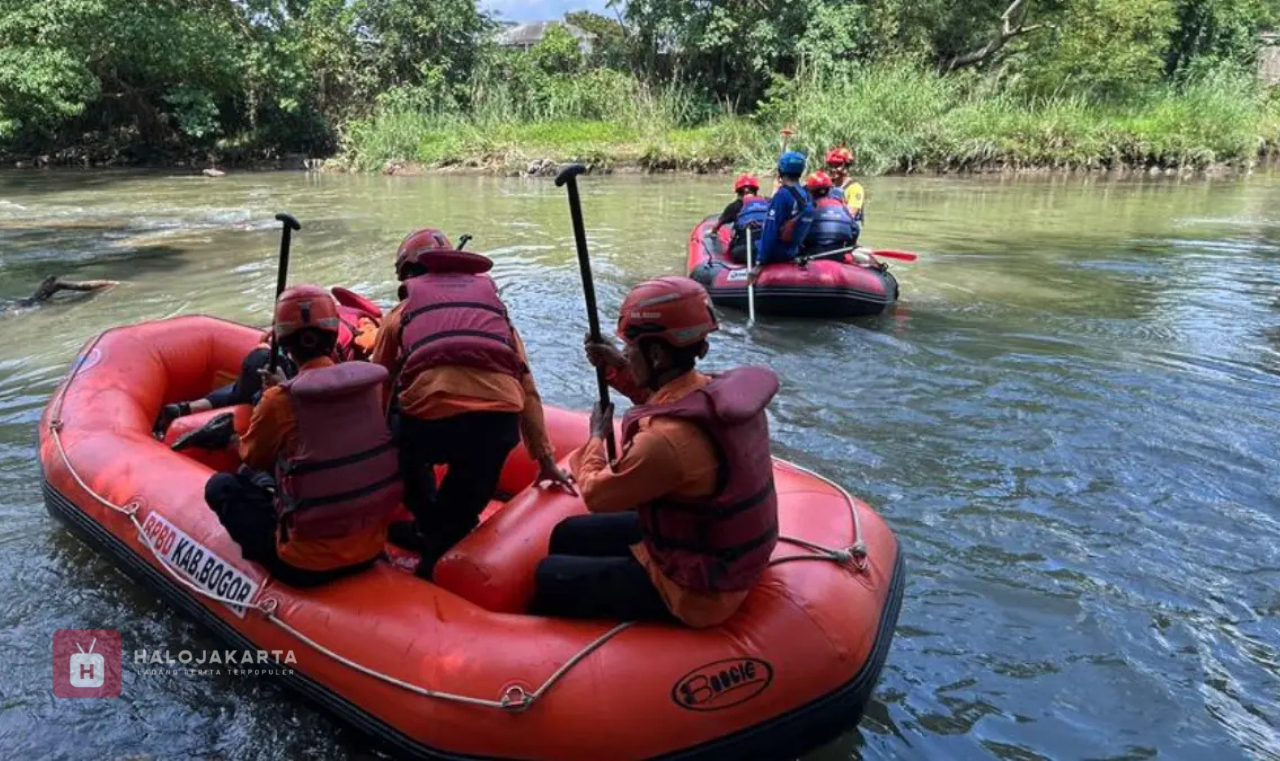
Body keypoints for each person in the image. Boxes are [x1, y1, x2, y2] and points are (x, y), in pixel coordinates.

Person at [530, 276, 780, 627]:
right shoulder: (712, 389)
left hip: (698, 591)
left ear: (658, 355)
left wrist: (596, 438)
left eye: (632, 350)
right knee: (568, 534)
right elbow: (665, 399)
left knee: (550, 575)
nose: (628, 356)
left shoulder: (665, 443)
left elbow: (597, 494)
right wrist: (618, 367)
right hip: (714, 551)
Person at [371, 228, 572, 579]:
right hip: (496, 426)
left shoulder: (399, 315)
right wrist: (544, 458)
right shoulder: (496, 313)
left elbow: (378, 384)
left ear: (407, 274)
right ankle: (444, 528)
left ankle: (431, 535)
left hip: (428, 427)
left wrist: (371, 448)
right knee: (467, 489)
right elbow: (526, 386)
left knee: (401, 442)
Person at [202, 285, 401, 587]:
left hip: (304, 563)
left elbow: (253, 458)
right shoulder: (370, 387)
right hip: (370, 547)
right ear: (334, 336)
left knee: (223, 486)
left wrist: (233, 436)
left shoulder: (279, 401)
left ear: (283, 342)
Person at [154, 288, 380, 439]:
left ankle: (189, 408)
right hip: (290, 369)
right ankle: (206, 417)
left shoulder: (312, 314)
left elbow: (272, 337)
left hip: (265, 356)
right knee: (260, 395)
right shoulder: (364, 328)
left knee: (247, 387)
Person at [753, 151, 814, 272]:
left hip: (776, 253)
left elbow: (770, 231)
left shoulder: (782, 195)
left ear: (781, 170)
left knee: (740, 247)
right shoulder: (807, 195)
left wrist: (759, 263)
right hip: (793, 251)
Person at [711, 174, 769, 265]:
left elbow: (717, 226)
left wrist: (712, 233)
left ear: (738, 192)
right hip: (769, 248)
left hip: (746, 250)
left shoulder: (734, 206)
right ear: (755, 190)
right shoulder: (767, 202)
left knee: (735, 250)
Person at [802, 170, 860, 255]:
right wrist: (849, 247)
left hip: (812, 252)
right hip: (838, 251)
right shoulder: (841, 206)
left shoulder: (808, 208)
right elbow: (855, 229)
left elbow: (796, 234)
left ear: (810, 191)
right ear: (830, 189)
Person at [825, 146, 866, 223]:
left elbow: (851, 214)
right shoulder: (826, 185)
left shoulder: (855, 188)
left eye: (837, 165)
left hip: (847, 226)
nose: (833, 169)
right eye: (831, 165)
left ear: (847, 167)